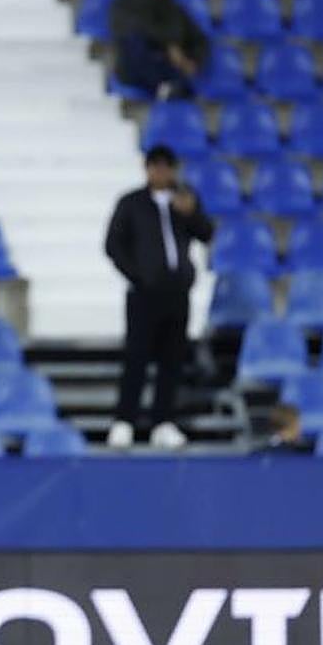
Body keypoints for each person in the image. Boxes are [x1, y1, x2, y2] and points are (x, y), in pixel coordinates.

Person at [105, 144, 214, 451]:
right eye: (156, 166)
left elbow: (206, 234)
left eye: (168, 167)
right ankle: (125, 420)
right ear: (147, 169)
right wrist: (139, 275)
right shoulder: (132, 203)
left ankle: (163, 421)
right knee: (137, 358)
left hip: (177, 293)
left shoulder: (184, 200)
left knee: (172, 359)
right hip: (144, 294)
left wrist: (191, 214)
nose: (162, 172)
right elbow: (113, 245)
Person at [110, 0, 211, 100]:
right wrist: (169, 47)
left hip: (171, 66)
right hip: (136, 70)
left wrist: (193, 61)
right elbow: (138, 28)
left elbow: (198, 38)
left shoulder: (174, 9)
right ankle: (164, 85)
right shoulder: (122, 6)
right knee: (135, 42)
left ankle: (170, 87)